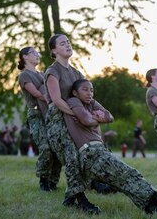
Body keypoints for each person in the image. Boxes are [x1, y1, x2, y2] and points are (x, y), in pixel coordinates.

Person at [63, 79, 157, 215]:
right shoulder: (74, 101)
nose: (89, 93)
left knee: (127, 178)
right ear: (75, 92)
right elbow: (86, 120)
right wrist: (96, 118)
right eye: (85, 90)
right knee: (126, 174)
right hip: (89, 152)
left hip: (99, 150)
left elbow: (110, 117)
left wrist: (98, 117)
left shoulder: (91, 103)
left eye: (91, 90)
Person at [45, 34, 111, 213]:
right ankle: (79, 198)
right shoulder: (53, 71)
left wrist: (93, 115)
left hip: (75, 116)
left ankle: (75, 194)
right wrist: (76, 114)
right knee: (71, 156)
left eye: (68, 41)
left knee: (85, 154)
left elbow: (84, 97)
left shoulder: (77, 73)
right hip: (58, 118)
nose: (67, 44)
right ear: (54, 50)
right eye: (62, 43)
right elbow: (57, 100)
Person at [18, 46, 62, 191]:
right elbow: (37, 93)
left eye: (37, 53)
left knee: (56, 147)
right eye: (33, 53)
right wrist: (54, 99)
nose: (37, 55)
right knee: (46, 147)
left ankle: (53, 181)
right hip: (36, 115)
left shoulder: (43, 74)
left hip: (48, 113)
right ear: (25, 57)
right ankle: (43, 180)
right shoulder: (24, 75)